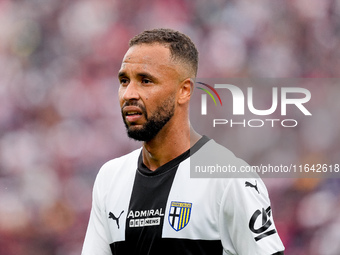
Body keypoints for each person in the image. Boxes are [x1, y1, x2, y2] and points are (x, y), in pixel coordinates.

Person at [82, 28, 285, 255]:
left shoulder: (229, 178)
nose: (129, 93)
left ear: (184, 90)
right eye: (124, 80)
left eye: (145, 80)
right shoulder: (110, 179)